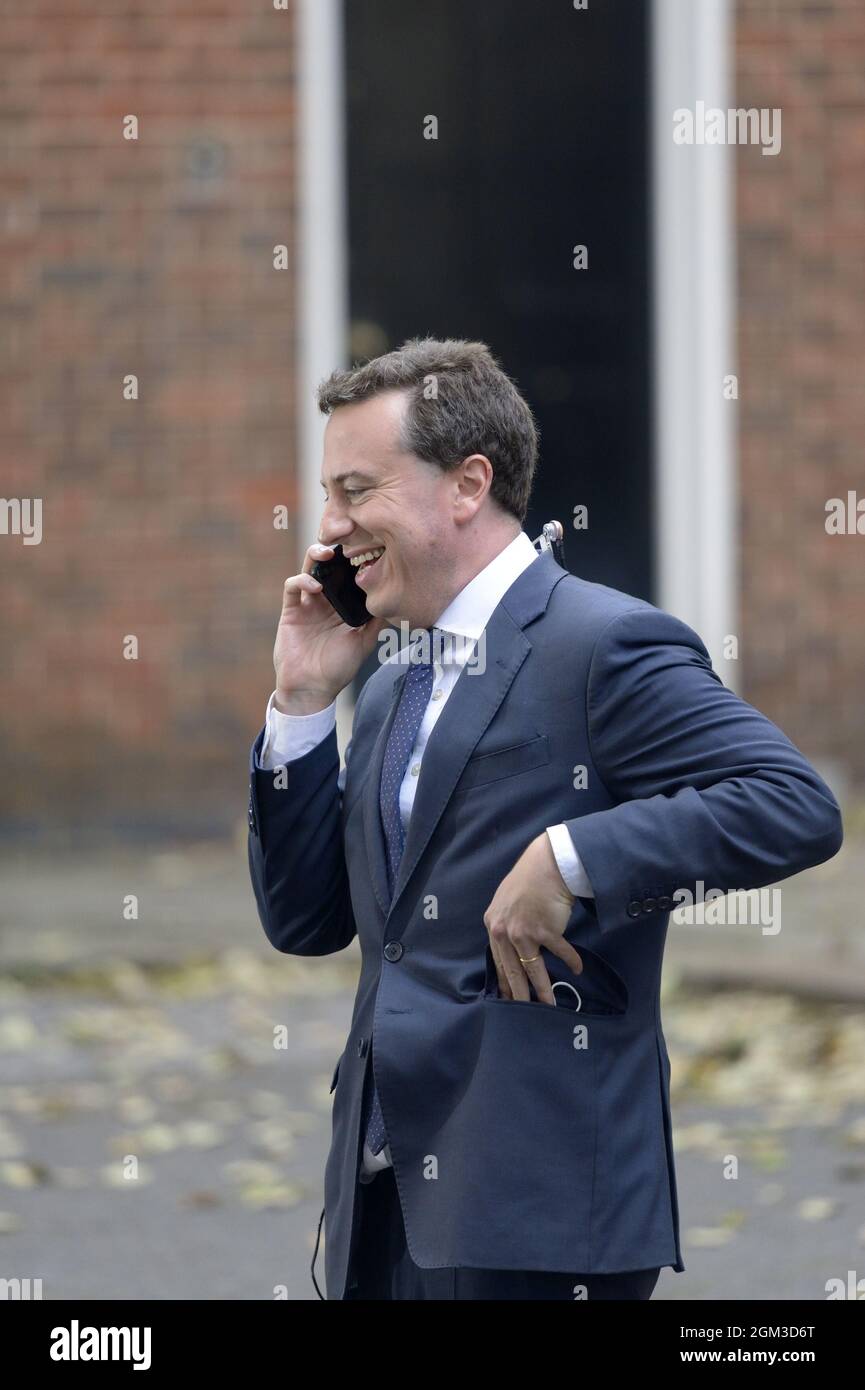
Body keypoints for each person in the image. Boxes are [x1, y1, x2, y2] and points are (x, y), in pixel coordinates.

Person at [247, 337, 843, 1300]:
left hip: (541, 1210)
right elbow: (305, 922)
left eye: (356, 490)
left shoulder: (603, 641)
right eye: (328, 493)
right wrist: (303, 704)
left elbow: (793, 805)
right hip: (383, 1204)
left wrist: (574, 857)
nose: (329, 524)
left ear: (466, 485)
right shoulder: (389, 675)